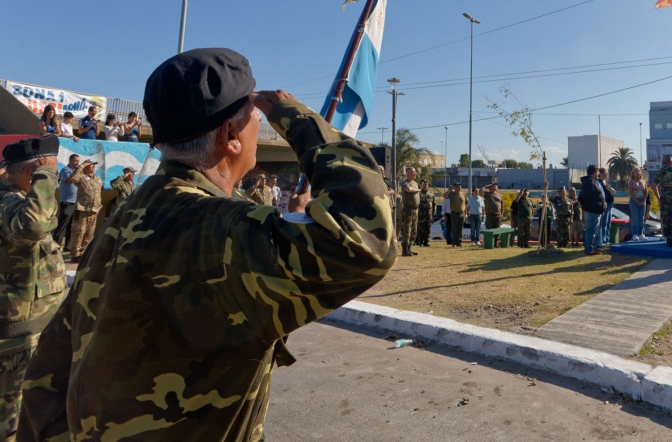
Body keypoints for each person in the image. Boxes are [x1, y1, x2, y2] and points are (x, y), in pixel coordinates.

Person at [19, 47, 396, 441]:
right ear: (231, 136)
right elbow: (367, 238)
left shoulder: (131, 215)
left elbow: (52, 368)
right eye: (256, 116)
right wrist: (301, 123)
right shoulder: (224, 231)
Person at [0, 135, 67, 440]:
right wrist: (47, 173)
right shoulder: (8, 202)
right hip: (15, 339)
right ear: (32, 173)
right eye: (48, 175)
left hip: (30, 333)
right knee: (9, 423)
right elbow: (34, 225)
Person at [66, 159, 103, 263]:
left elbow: (100, 192)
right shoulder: (81, 177)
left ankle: (84, 253)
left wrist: (99, 205)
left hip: (94, 209)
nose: (93, 167)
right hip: (82, 209)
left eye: (94, 166)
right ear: (86, 167)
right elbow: (72, 179)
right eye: (91, 165)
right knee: (79, 232)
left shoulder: (97, 178)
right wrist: (81, 166)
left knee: (89, 233)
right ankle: (75, 255)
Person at [52, 154, 79, 253]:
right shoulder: (66, 170)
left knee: (72, 226)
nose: (77, 163)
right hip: (67, 201)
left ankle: (68, 246)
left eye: (78, 161)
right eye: (75, 161)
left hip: (76, 202)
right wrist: (79, 169)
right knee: (62, 225)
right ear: (71, 161)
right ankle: (56, 245)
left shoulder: (78, 172)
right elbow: (69, 180)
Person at [578, 165, 606, 256]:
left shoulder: (591, 181)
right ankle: (589, 249)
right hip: (592, 211)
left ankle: (592, 247)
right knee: (591, 230)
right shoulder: (589, 182)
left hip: (595, 210)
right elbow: (585, 195)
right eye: (597, 172)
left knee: (593, 231)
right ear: (594, 172)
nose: (598, 174)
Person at [400, 167, 420, 256]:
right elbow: (408, 189)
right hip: (408, 209)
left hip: (415, 209)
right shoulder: (405, 183)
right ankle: (404, 250)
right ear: (407, 174)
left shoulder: (415, 183)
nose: (414, 174)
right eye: (413, 172)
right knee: (406, 230)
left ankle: (409, 248)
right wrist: (418, 190)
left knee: (414, 230)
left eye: (415, 172)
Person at [628, 168, 648, 240]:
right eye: (636, 172)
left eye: (639, 171)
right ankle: (635, 234)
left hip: (642, 200)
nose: (637, 173)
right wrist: (636, 200)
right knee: (635, 217)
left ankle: (641, 233)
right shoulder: (631, 182)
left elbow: (646, 192)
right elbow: (630, 192)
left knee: (641, 218)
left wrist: (644, 200)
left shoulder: (643, 181)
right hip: (634, 200)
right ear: (633, 174)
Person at [597, 168, 615, 248]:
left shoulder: (605, 182)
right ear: (600, 174)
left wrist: (612, 190)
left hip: (610, 204)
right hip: (605, 205)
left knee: (608, 223)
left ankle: (607, 240)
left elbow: (609, 189)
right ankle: (603, 241)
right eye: (604, 174)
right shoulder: (599, 182)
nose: (605, 176)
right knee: (604, 223)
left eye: (606, 174)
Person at [447, 183, 468, 248]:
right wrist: (450, 189)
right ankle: (454, 243)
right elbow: (444, 196)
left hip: (462, 214)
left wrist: (466, 213)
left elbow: (466, 204)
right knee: (454, 229)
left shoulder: (463, 194)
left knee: (460, 229)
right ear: (455, 187)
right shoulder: (452, 194)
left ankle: (459, 242)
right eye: (458, 186)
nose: (459, 187)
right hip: (454, 214)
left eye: (460, 186)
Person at [416, 180, 435, 247]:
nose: (425, 185)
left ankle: (426, 241)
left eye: (426, 184)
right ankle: (420, 241)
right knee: (421, 228)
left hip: (428, 213)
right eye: (424, 184)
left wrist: (433, 213)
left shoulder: (431, 193)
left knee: (428, 227)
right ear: (422, 185)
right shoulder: (419, 193)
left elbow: (433, 204)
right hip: (421, 213)